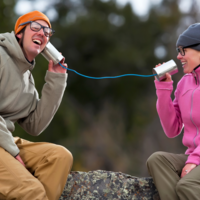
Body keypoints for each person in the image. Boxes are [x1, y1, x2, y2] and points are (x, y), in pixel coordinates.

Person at [0, 10, 73, 200]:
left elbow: (35, 125)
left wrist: (57, 79)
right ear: (19, 32)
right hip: (4, 143)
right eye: (35, 27)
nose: (42, 33)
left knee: (59, 156)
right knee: (32, 191)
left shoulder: (27, 78)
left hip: (4, 141)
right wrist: (13, 153)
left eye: (48, 32)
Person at [146, 23, 200, 200]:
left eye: (183, 51)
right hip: (194, 156)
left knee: (187, 184)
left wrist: (195, 160)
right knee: (157, 160)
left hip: (197, 157)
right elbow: (172, 129)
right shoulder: (185, 83)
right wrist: (163, 88)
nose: (178, 56)